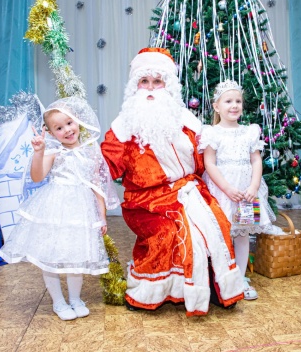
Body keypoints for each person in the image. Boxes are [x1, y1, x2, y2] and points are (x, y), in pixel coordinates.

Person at [100, 47, 244, 317]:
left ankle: (214, 286)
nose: (150, 88)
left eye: (157, 81)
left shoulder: (187, 121)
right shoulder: (123, 126)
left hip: (188, 190)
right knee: (167, 232)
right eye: (144, 81)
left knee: (217, 222)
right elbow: (106, 165)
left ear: (168, 86)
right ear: (135, 86)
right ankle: (151, 291)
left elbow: (204, 160)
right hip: (145, 202)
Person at [0, 97, 119, 321]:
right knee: (51, 256)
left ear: (77, 121)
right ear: (52, 133)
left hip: (80, 210)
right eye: (59, 128)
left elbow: (96, 185)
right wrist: (39, 152)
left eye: (69, 123)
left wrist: (101, 215)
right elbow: (37, 177)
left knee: (76, 256)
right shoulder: (54, 151)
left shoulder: (91, 150)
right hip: (55, 207)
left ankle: (75, 299)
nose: (67, 130)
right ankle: (58, 302)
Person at [199, 79, 285, 301]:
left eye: (238, 101)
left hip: (246, 194)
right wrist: (227, 188)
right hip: (222, 191)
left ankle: (240, 278)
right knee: (220, 233)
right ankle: (220, 277)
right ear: (217, 106)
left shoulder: (250, 132)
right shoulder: (211, 133)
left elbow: (256, 160)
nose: (234, 105)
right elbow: (209, 163)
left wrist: (254, 186)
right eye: (228, 101)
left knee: (243, 234)